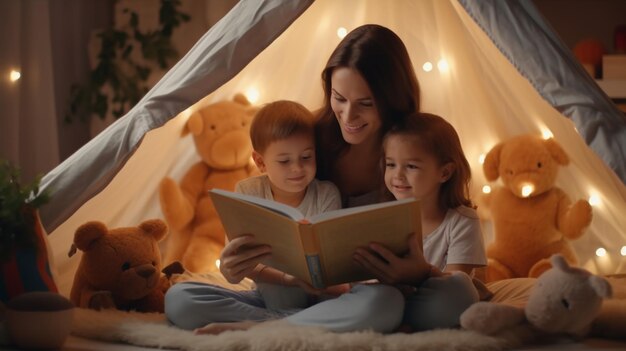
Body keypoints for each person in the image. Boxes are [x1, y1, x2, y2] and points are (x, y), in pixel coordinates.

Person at [165, 24, 469, 335]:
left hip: (371, 294)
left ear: (392, 99)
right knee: (180, 298)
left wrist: (419, 273)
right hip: (294, 296)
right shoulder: (308, 141)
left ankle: (259, 327)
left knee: (451, 296)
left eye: (365, 104)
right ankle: (285, 324)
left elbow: (445, 231)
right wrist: (231, 263)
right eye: (339, 98)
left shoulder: (411, 151)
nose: (348, 117)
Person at [353, 112, 487, 331]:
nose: (398, 175)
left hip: (431, 303)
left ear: (444, 172)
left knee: (462, 288)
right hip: (390, 301)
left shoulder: (462, 220)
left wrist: (422, 273)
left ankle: (396, 323)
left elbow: (457, 280)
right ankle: (392, 320)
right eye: (391, 165)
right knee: (378, 299)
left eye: (411, 166)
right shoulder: (380, 218)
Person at [233, 99, 343, 311]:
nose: (297, 168)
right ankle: (299, 323)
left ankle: (270, 324)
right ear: (261, 162)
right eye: (284, 161)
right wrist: (287, 279)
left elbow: (334, 259)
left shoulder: (326, 193)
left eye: (306, 157)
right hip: (274, 286)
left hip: (325, 291)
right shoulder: (248, 193)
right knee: (181, 298)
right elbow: (243, 263)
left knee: (361, 300)